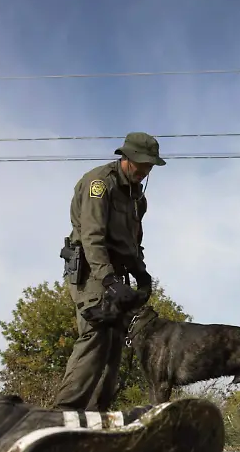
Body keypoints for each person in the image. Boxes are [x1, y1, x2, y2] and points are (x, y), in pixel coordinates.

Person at [55, 132, 164, 413]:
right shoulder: (99, 184)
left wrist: (141, 273)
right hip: (91, 271)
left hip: (116, 274)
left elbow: (132, 242)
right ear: (127, 157)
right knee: (96, 334)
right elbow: (92, 237)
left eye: (150, 165)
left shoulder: (137, 198)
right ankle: (62, 416)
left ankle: (95, 419)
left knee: (115, 342)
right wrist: (107, 280)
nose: (145, 170)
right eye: (142, 163)